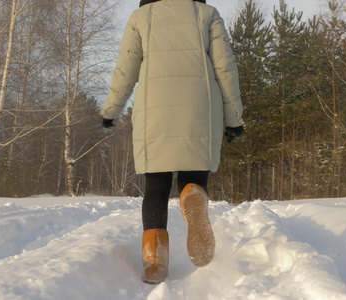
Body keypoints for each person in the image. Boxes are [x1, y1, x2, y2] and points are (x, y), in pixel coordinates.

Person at [100, 0, 244, 284]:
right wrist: (234, 118)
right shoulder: (207, 14)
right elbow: (225, 68)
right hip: (200, 106)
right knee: (194, 173)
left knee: (156, 186)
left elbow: (125, 69)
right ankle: (192, 193)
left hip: (155, 108)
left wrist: (111, 110)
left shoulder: (141, 16)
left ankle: (155, 261)